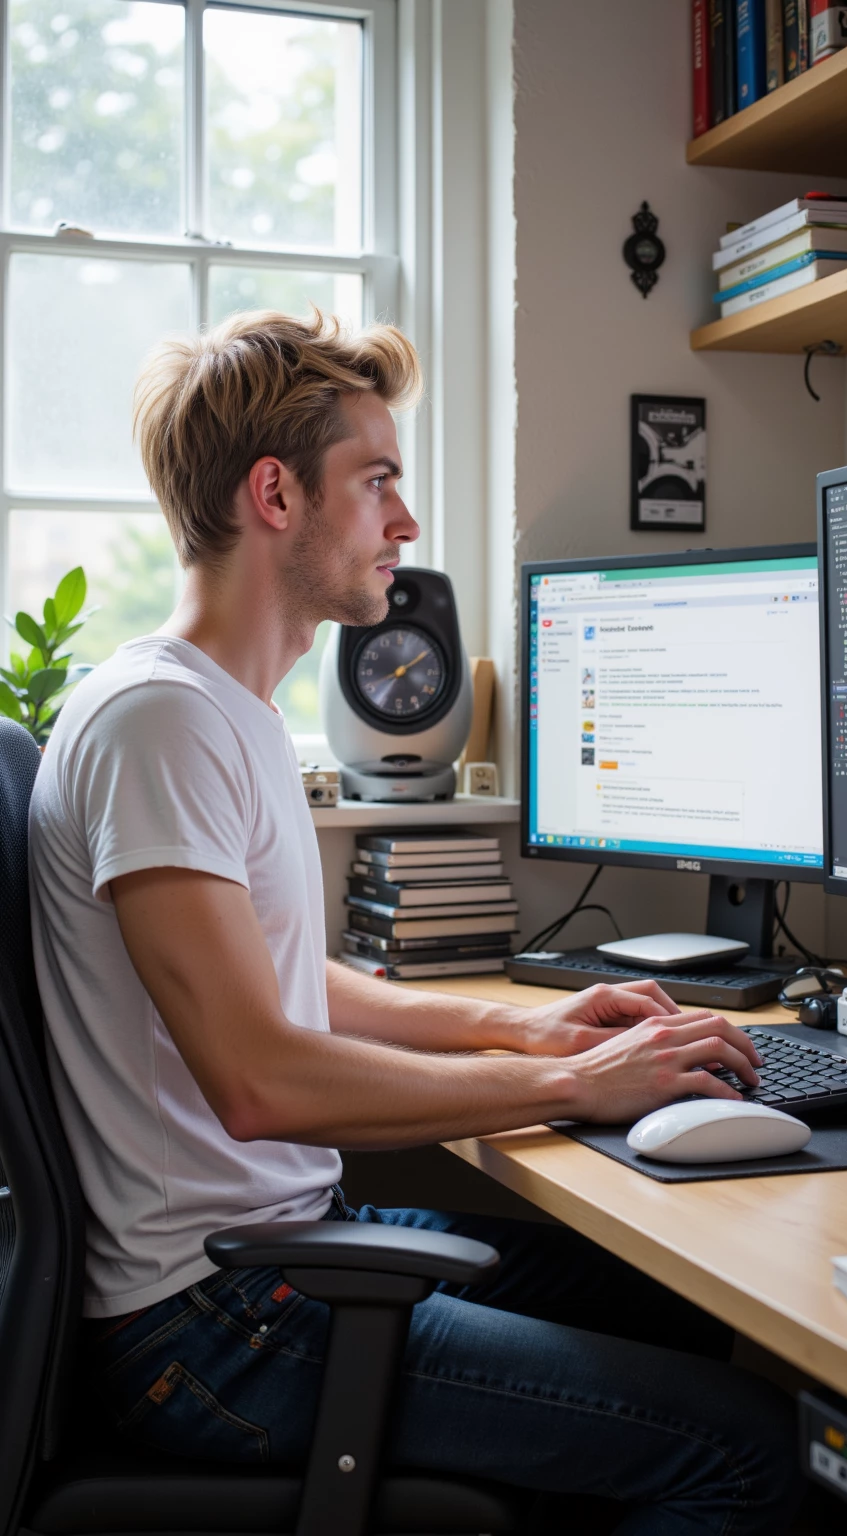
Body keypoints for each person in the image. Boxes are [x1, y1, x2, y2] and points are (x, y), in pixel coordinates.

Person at [28, 310, 802, 1534]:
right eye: (378, 481)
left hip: (275, 1247)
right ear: (275, 494)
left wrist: (534, 1038)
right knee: (750, 1454)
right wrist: (578, 1090)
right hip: (213, 1324)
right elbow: (260, 1080)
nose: (406, 522)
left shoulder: (223, 711)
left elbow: (296, 985)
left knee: (683, 1308)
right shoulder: (157, 724)